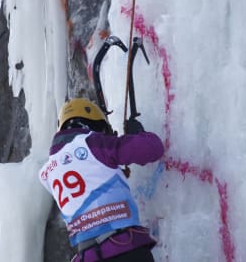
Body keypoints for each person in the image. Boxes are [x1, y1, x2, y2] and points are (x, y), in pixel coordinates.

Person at [38, 98, 164, 262]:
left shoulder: (47, 173)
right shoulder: (92, 143)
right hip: (122, 250)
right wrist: (138, 134)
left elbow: (90, 179)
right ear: (94, 125)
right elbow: (153, 148)